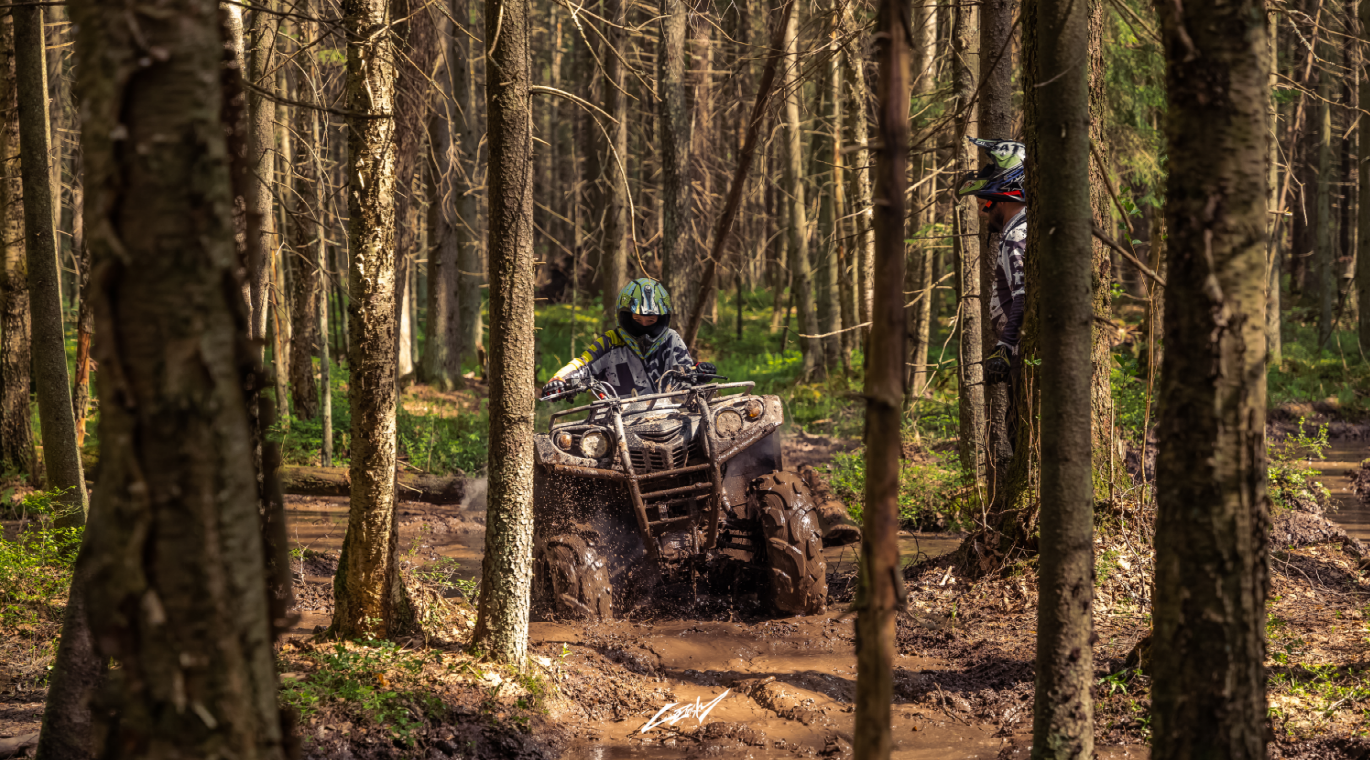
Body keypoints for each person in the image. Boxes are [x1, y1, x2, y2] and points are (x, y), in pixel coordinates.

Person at [542, 278, 716, 399]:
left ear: (662, 318)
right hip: (616, 421)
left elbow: (686, 373)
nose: (644, 326)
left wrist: (699, 372)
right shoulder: (610, 341)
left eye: (651, 321)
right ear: (625, 316)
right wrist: (559, 381)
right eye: (637, 320)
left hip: (667, 417)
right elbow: (582, 364)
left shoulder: (671, 339)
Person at [957, 136, 1027, 386]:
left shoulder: (1016, 235)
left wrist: (1004, 347)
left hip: (1023, 356)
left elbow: (1023, 295)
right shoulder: (1026, 228)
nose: (982, 213)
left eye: (984, 203)